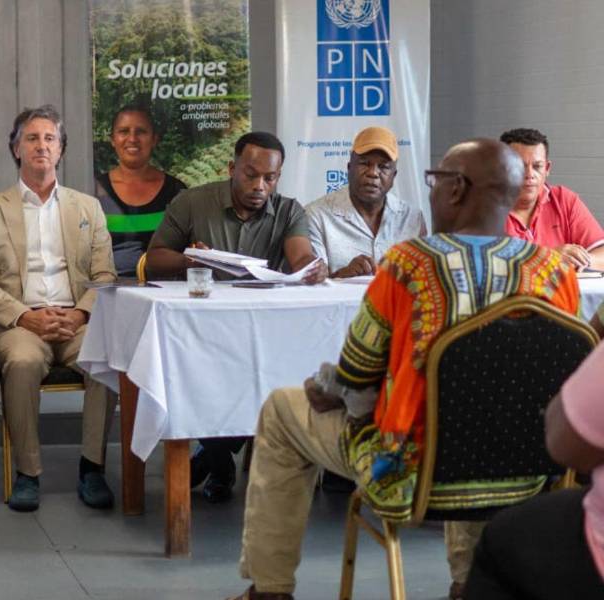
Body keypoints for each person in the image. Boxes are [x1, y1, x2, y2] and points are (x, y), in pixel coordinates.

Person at [227, 138, 580, 600]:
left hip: (409, 477)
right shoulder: (555, 273)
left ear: (456, 190)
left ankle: (270, 591)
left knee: (279, 409)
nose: (429, 190)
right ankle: (466, 585)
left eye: (435, 180)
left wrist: (324, 386)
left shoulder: (410, 266)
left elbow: (352, 376)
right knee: (479, 417)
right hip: (526, 477)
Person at [147, 131, 328, 503]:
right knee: (202, 374)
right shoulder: (192, 203)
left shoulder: (290, 210)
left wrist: (313, 268)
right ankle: (218, 457)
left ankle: (215, 455)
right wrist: (189, 258)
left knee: (266, 373)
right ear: (232, 169)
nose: (260, 185)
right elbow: (153, 261)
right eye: (250, 174)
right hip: (201, 336)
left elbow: (300, 257)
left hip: (266, 338)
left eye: (270, 178)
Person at [0, 105, 118, 512]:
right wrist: (25, 317)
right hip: (14, 323)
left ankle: (92, 467)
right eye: (31, 138)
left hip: (75, 319)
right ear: (16, 149)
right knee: (20, 360)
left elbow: (105, 275)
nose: (41, 146)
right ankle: (27, 473)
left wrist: (80, 313)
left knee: (105, 356)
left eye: (50, 138)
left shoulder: (88, 208)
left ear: (61, 150)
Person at [464, 340, 604, 599]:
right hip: (532, 475)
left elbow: (566, 445)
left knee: (503, 540)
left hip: (431, 467)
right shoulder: (562, 298)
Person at [306, 126, 425, 278]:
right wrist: (341, 275)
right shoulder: (317, 216)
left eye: (383, 166)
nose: (373, 173)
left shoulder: (413, 219)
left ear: (393, 176)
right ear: (349, 168)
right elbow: (311, 286)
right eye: (365, 163)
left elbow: (424, 281)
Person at [95, 105, 187, 277]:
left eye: (141, 131)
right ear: (113, 139)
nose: (132, 138)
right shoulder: (95, 191)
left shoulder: (176, 191)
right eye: (123, 131)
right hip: (107, 291)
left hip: (164, 293)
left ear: (154, 139)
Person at [501, 127, 604, 270]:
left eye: (537, 166)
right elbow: (479, 268)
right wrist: (547, 258)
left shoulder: (564, 200)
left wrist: (581, 260)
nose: (530, 174)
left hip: (566, 292)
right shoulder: (483, 209)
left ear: (547, 169)